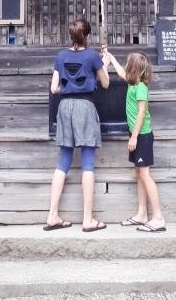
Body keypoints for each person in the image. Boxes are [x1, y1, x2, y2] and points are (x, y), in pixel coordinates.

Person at [45, 17, 110, 232]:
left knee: (63, 161)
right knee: (88, 163)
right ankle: (88, 219)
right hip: (85, 107)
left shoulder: (61, 56)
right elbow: (106, 83)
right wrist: (104, 63)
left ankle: (52, 215)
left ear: (71, 36)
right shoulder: (92, 56)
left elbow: (54, 88)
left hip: (64, 107)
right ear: (88, 36)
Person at [102, 50, 166, 232]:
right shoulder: (132, 83)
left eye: (128, 64)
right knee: (139, 174)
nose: (126, 67)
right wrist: (111, 57)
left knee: (145, 175)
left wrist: (134, 136)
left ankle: (158, 218)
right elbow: (121, 73)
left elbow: (141, 113)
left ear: (134, 68)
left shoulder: (141, 88)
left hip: (142, 136)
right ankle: (142, 214)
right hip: (138, 136)